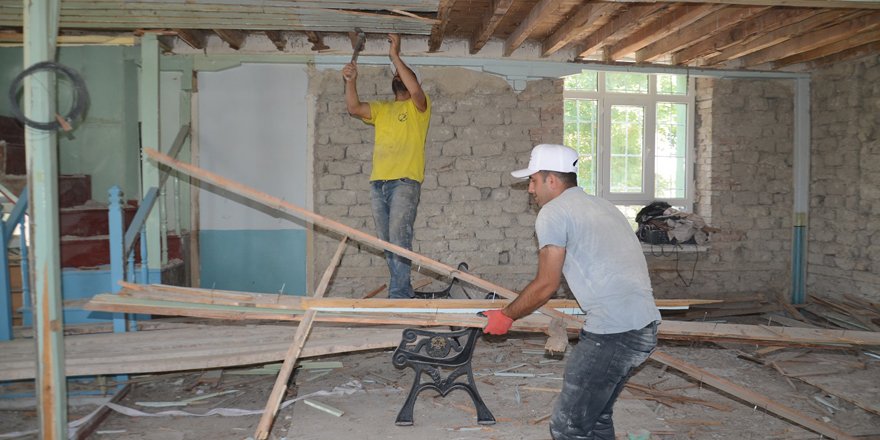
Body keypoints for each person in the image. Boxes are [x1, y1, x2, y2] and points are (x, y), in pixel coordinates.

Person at [482, 144, 661, 440]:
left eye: (533, 180)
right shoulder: (604, 205)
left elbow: (546, 284)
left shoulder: (554, 212)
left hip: (613, 334)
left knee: (568, 427)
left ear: (551, 180)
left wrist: (506, 316)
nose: (530, 189)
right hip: (644, 327)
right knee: (596, 419)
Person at [342, 34, 431, 299]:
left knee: (399, 240)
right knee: (387, 243)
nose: (398, 78)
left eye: (403, 75)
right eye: (396, 75)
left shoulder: (420, 108)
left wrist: (395, 56)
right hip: (378, 183)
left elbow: (415, 91)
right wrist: (351, 81)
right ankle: (402, 291)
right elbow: (354, 107)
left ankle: (400, 296)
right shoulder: (382, 109)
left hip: (404, 182)